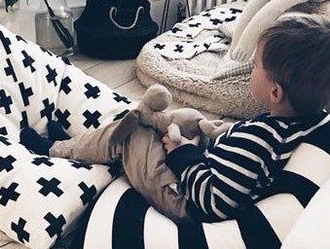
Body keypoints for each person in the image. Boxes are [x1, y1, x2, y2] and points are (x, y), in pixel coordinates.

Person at [21, 15, 330, 222]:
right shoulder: (308, 122)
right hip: (204, 162)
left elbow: (215, 201)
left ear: (275, 92)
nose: (251, 68)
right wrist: (210, 136)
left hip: (183, 199)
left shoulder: (261, 139)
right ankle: (94, 145)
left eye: (257, 65)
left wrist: (183, 155)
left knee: (131, 129)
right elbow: (240, 157)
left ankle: (58, 149)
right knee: (188, 117)